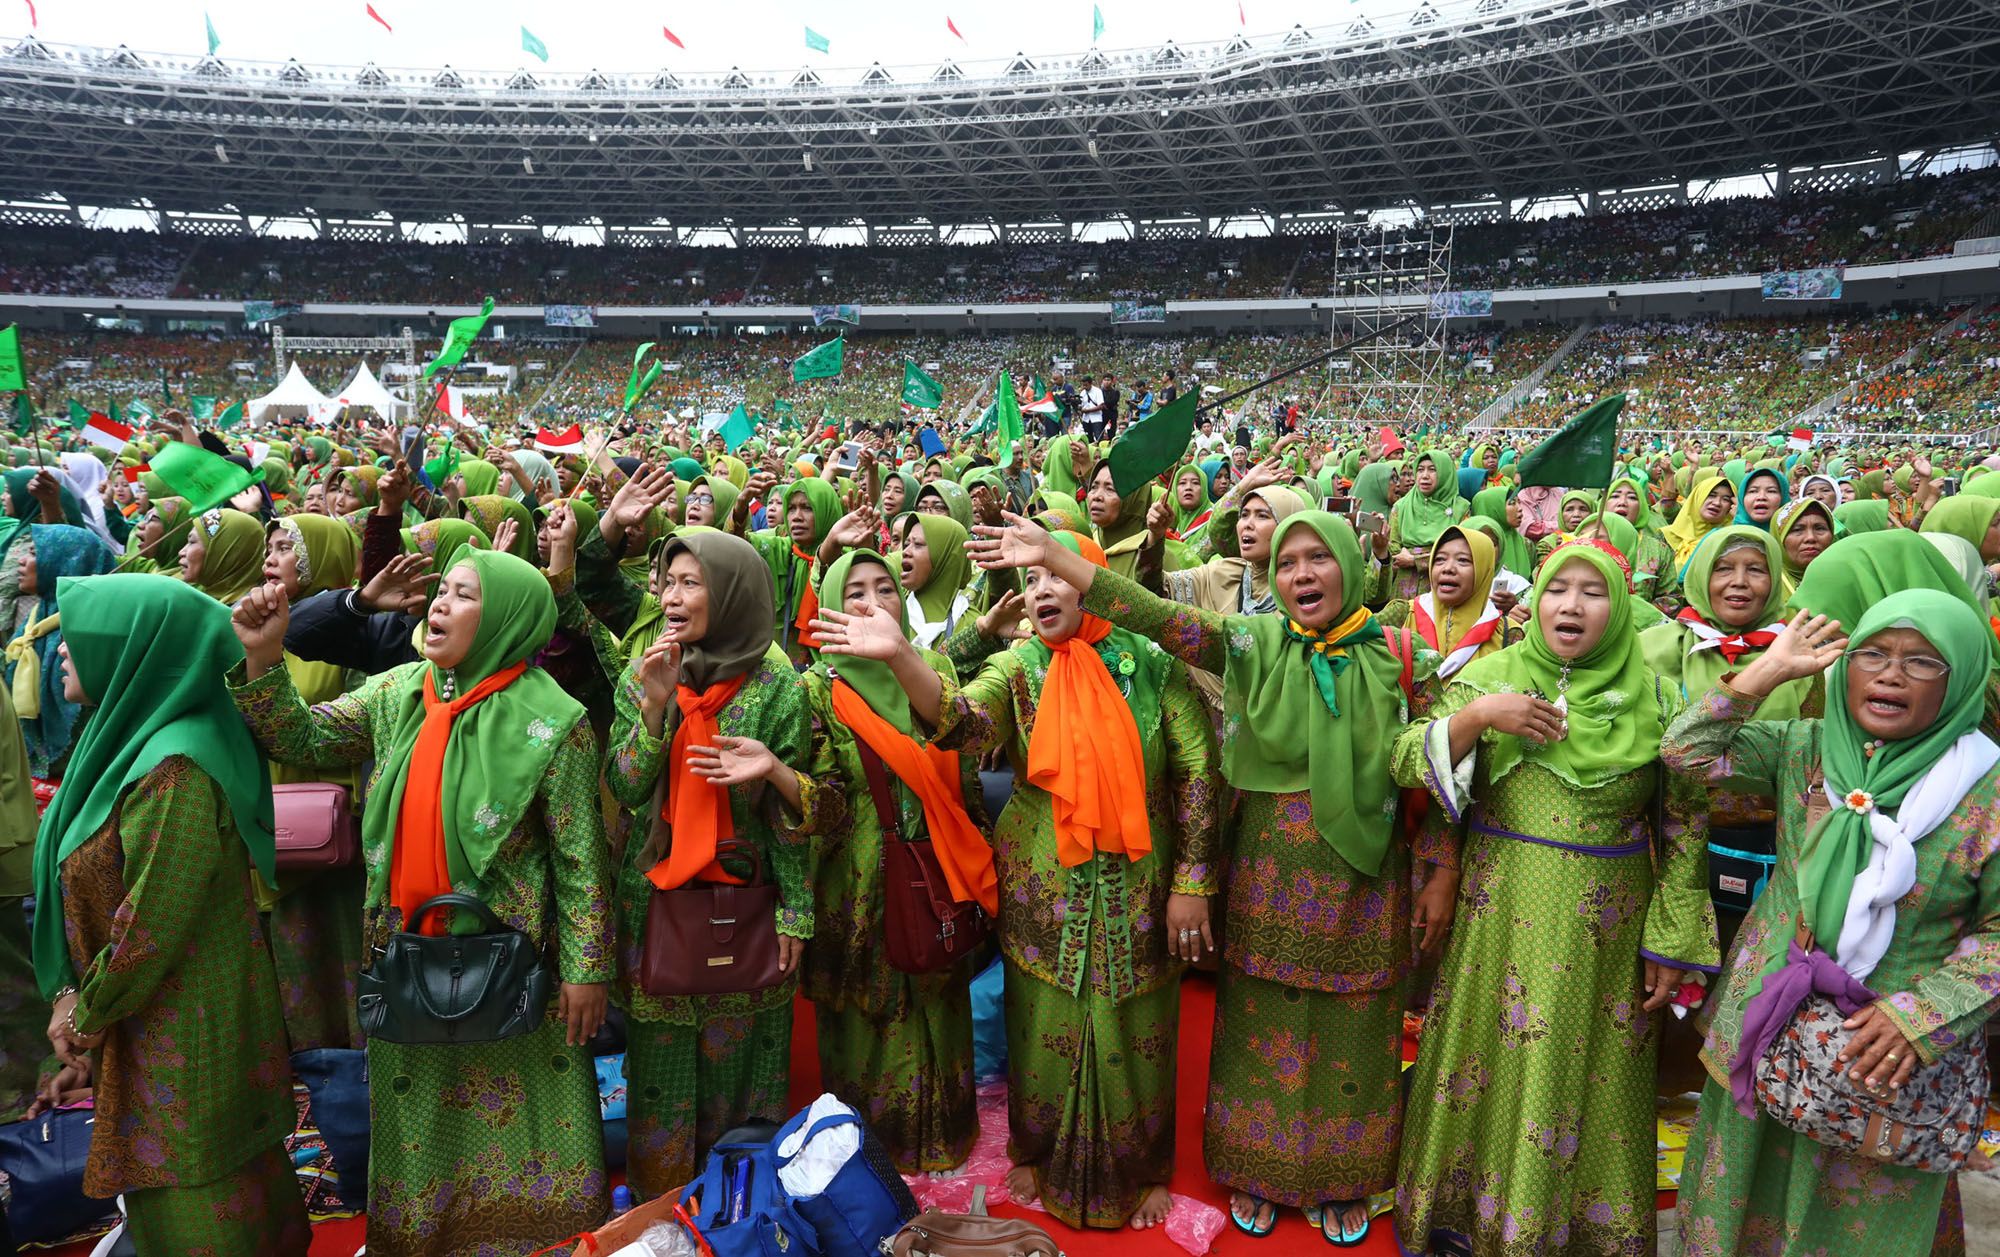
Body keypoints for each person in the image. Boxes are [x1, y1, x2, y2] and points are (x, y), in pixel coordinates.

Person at [976, 510, 1419, 1245]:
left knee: (1357, 1019)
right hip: (1267, 863)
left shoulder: (1399, 653)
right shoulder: (1254, 642)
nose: (1303, 574)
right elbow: (1154, 614)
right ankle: (1255, 1168)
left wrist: (1436, 863)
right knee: (1256, 1022)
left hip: (1364, 874)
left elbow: (1424, 759)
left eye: (1318, 557)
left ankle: (1344, 1178)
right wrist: (1058, 558)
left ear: (1351, 562)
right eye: (1288, 562)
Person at [230, 549, 614, 1257]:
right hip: (406, 953)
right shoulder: (398, 691)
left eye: (463, 595)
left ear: (505, 617)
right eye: (441, 590)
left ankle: (537, 1239)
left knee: (530, 1111)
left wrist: (586, 970)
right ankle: (426, 1236)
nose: (438, 603)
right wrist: (262, 658)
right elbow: (300, 735)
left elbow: (581, 857)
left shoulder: (554, 722)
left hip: (513, 966)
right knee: (418, 1108)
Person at [1389, 542, 1717, 1257]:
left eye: (1592, 592)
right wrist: (1481, 716)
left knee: (1582, 1077)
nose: (1571, 605)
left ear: (1623, 606)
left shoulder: (1661, 696)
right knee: (1488, 1060)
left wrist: (1673, 939)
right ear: (1534, 599)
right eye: (1557, 588)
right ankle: (1463, 1224)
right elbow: (1406, 755)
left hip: (1604, 936)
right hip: (1495, 913)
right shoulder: (1491, 676)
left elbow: (1686, 823)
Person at [1662, 592, 2000, 1256]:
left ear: (1957, 677)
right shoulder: (1805, 749)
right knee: (1739, 1204)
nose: (1891, 673)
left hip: (1883, 1059)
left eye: (1921, 661)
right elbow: (1685, 753)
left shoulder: (1984, 791)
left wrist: (1922, 1013)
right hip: (1767, 1028)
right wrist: (1767, 672)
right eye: (1872, 653)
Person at [942, 527, 1219, 1232]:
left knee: (1140, 1023)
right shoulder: (1021, 667)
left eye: (1054, 575)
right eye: (1030, 581)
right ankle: (1035, 1150)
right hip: (1043, 882)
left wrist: (1192, 879)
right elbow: (961, 726)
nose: (1041, 591)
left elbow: (1194, 773)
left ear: (1091, 580)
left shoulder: (1152, 666)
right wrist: (939, 648)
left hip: (1142, 883)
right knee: (1039, 1024)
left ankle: (1144, 1167)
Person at [35, 575, 310, 1254]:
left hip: (189, 1038)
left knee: (202, 1209)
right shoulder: (118, 740)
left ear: (136, 650)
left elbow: (152, 924)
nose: (61, 653)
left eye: (79, 638)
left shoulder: (177, 766)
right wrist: (74, 1000)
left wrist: (88, 1016)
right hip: (149, 1023)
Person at [602, 531, 829, 1198]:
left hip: (747, 912)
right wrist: (652, 713)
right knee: (659, 1094)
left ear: (731, 590)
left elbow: (796, 813)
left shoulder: (778, 680)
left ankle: (740, 1218)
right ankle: (664, 1218)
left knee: (748, 1090)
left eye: (691, 581)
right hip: (659, 911)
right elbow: (625, 788)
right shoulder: (643, 671)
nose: (673, 596)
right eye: (667, 581)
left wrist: (795, 908)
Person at [793, 550, 993, 1173]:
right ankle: (873, 1164)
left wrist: (901, 659)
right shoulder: (819, 688)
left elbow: (971, 739)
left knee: (939, 996)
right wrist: (778, 776)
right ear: (829, 601)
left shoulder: (927, 668)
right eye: (854, 591)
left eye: (885, 588)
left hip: (937, 875)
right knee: (866, 1021)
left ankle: (947, 1141)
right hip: (855, 890)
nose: (872, 602)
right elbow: (820, 800)